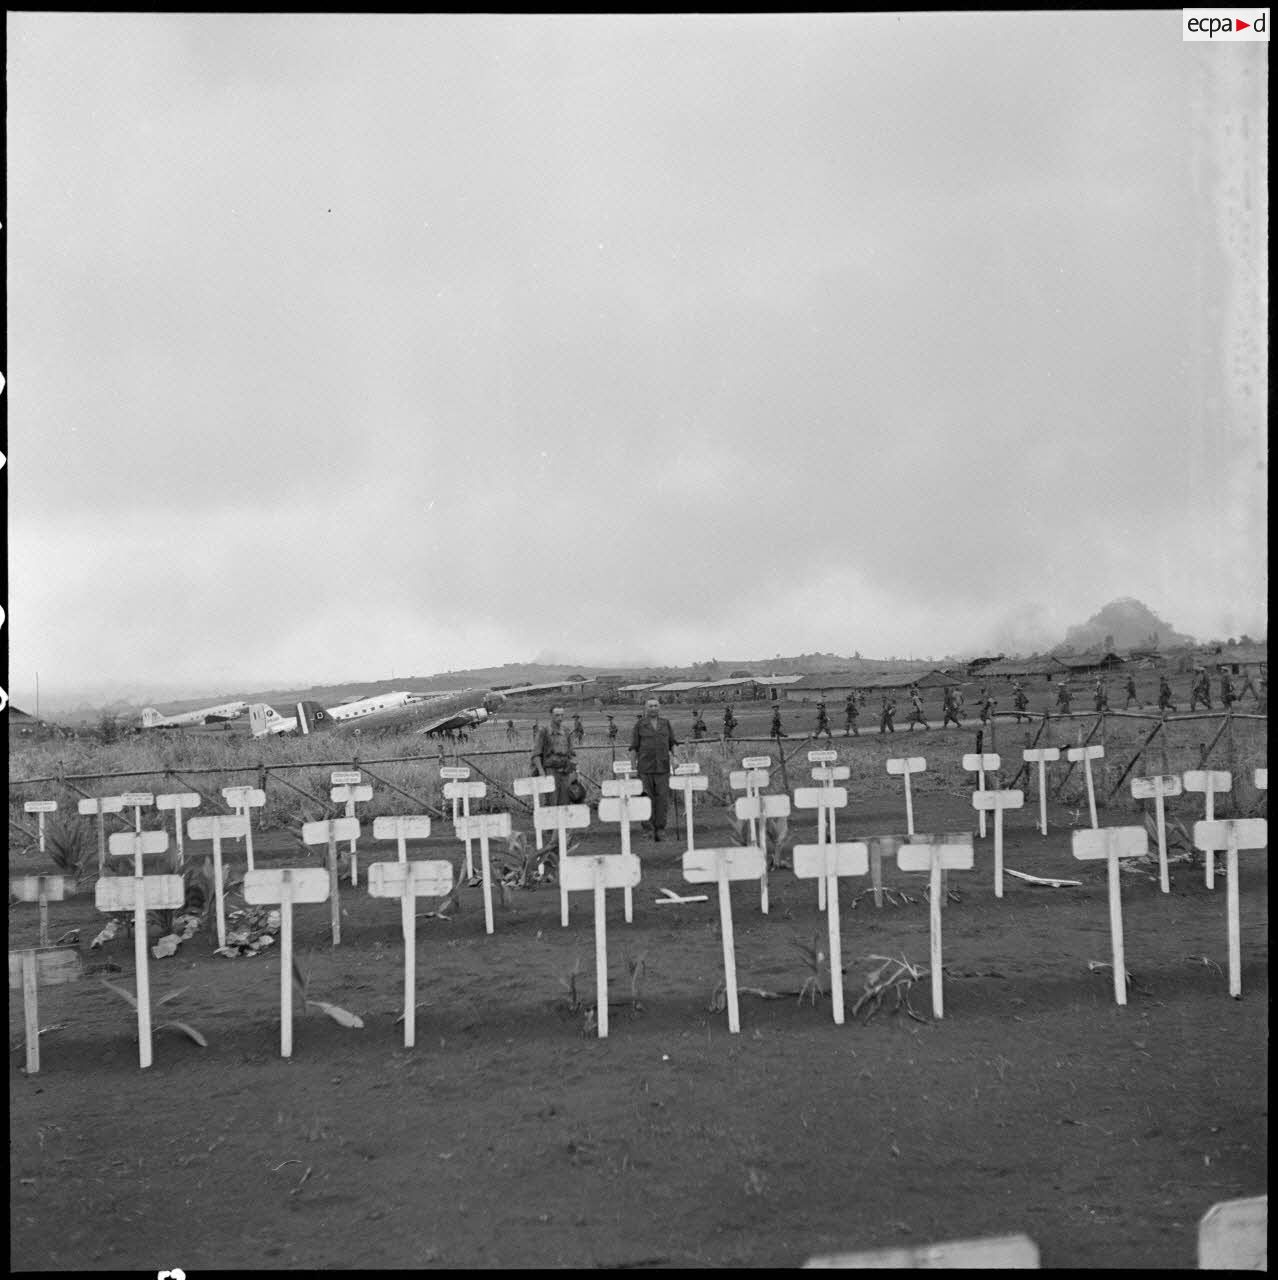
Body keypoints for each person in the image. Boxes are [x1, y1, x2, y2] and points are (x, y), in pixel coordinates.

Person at [630, 698, 678, 842]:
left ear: (659, 708)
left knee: (662, 800)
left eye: (656, 705)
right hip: (645, 768)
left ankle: (661, 830)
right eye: (650, 706)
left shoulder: (666, 723)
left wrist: (676, 757)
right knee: (645, 800)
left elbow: (673, 743)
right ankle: (648, 830)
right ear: (646, 708)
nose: (653, 708)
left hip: (663, 768)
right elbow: (634, 748)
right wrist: (633, 767)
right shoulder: (639, 725)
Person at [530, 706, 578, 805]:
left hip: (565, 771)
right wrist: (541, 772)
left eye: (562, 715)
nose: (560, 718)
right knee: (552, 803)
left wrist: (576, 771)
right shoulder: (544, 731)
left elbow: (571, 753)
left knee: (565, 803)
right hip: (550, 771)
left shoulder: (566, 731)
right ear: (551, 716)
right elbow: (536, 754)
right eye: (557, 715)